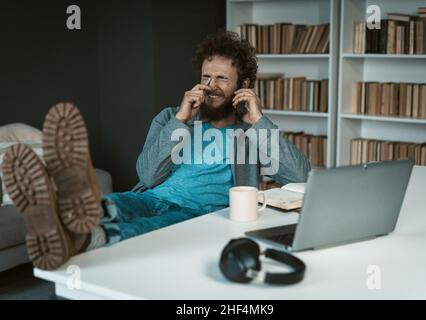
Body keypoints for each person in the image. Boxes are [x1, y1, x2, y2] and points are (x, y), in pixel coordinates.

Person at [1, 31, 310, 270]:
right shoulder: (171, 117)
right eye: (205, 76)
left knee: (149, 229)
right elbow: (147, 174)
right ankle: (62, 212)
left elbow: (299, 176)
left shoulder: (250, 131)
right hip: (151, 197)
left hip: (200, 214)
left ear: (242, 84)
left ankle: (75, 234)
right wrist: (181, 120)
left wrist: (257, 119)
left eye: (221, 78)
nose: (211, 86)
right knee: (115, 202)